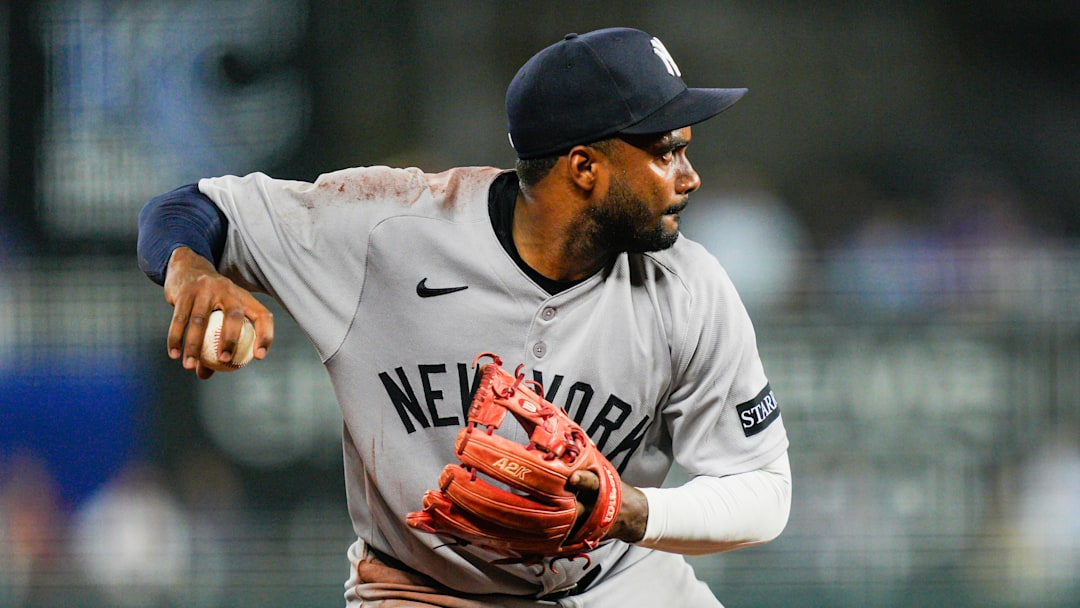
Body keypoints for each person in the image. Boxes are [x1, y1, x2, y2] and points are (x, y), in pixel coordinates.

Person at [137, 27, 791, 607]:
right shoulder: (386, 232)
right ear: (585, 168)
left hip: (620, 583)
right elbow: (191, 208)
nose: (689, 176)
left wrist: (631, 511)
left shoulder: (690, 287)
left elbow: (764, 491)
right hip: (428, 590)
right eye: (666, 152)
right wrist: (192, 269)